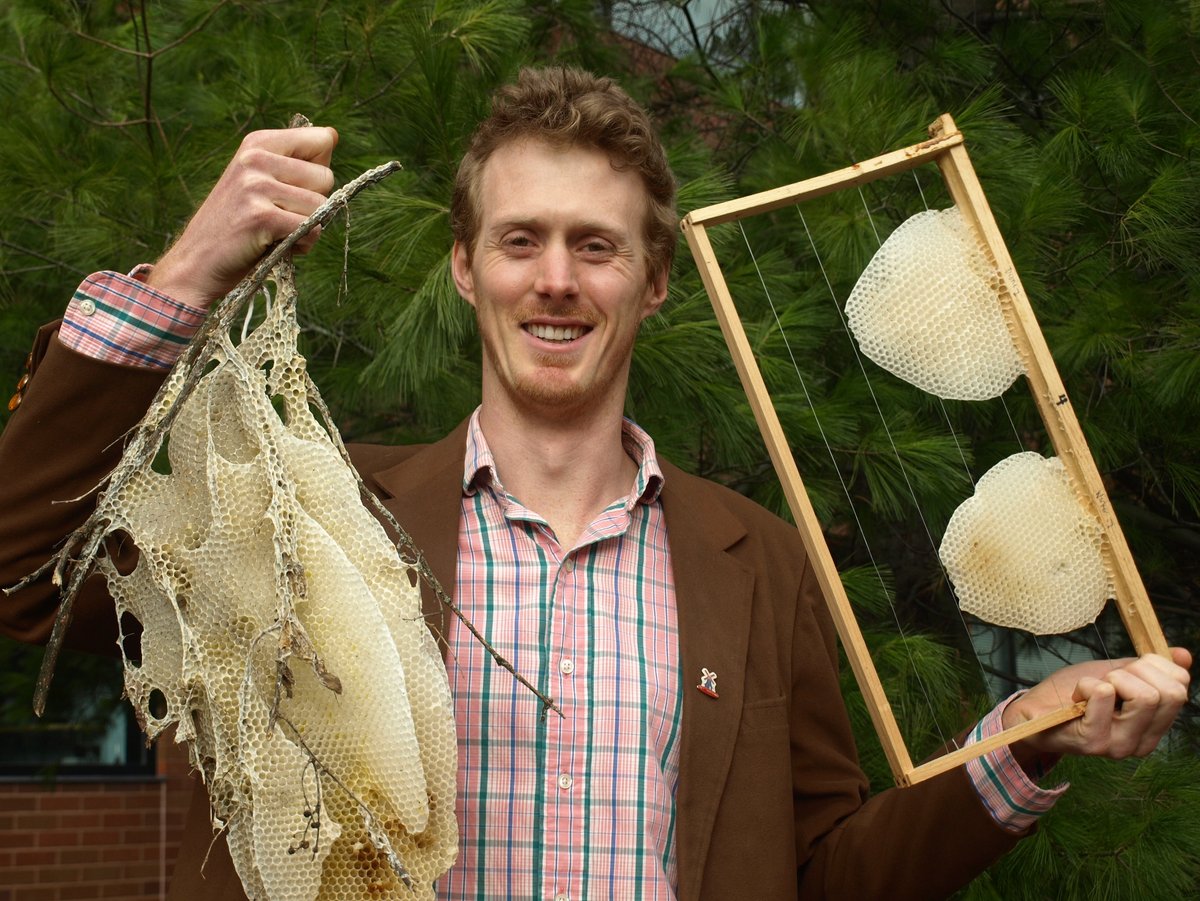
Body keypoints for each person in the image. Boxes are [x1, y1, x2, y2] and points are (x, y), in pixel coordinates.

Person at [0, 67, 1190, 901]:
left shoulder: (757, 558)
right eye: (521, 241)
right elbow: (19, 582)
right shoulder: (305, 515)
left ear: (655, 278)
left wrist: (1025, 744)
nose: (555, 279)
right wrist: (194, 269)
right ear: (466, 268)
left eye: (596, 244)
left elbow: (821, 872)